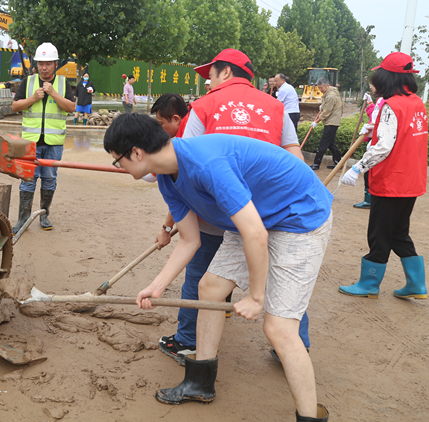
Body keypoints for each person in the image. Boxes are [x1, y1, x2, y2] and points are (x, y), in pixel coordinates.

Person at [105, 113, 333, 422]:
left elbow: (255, 234)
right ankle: (200, 382)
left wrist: (255, 296)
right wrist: (156, 286)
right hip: (258, 216)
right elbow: (189, 240)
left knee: (279, 328)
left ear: (136, 153)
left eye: (118, 161)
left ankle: (309, 417)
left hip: (300, 217)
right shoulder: (168, 178)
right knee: (210, 288)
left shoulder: (205, 164)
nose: (119, 168)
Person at [150, 50, 310, 367]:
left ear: (225, 73)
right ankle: (292, 349)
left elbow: (184, 165)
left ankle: (187, 341)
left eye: (210, 75)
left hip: (215, 212)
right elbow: (295, 161)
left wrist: (171, 224)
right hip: (270, 213)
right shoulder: (275, 107)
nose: (207, 82)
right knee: (284, 283)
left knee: (200, 275)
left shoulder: (205, 106)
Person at [339, 52, 427, 300]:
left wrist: (358, 168)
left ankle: (369, 284)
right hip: (411, 181)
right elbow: (401, 136)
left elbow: (384, 147)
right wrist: (374, 127)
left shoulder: (392, 105)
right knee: (399, 232)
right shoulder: (415, 102)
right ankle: (416, 284)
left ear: (387, 77)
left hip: (391, 182)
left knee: (379, 233)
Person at [11, 42, 75, 232]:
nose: (44, 67)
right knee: (27, 180)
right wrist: (33, 98)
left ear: (56, 64)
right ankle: (23, 220)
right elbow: (15, 106)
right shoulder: (28, 82)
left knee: (49, 179)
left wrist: (53, 93)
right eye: (41, 63)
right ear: (36, 64)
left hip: (53, 143)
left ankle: (43, 216)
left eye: (48, 63)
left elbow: (71, 108)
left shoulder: (63, 84)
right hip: (30, 142)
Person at [353, 90, 381, 209]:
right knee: (369, 174)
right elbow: (373, 117)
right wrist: (370, 103)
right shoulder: (380, 100)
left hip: (378, 144)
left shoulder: (387, 101)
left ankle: (372, 200)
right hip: (373, 141)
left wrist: (373, 130)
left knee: (372, 173)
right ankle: (369, 199)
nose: (372, 87)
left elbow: (379, 122)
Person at [310, 78, 342, 170]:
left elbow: (326, 112)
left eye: (321, 88)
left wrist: (316, 121)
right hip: (331, 121)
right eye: (319, 88)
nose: (320, 90)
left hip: (332, 122)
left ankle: (316, 163)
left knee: (323, 143)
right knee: (331, 143)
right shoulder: (328, 94)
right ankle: (338, 162)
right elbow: (326, 107)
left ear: (327, 86)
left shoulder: (331, 96)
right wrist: (322, 106)